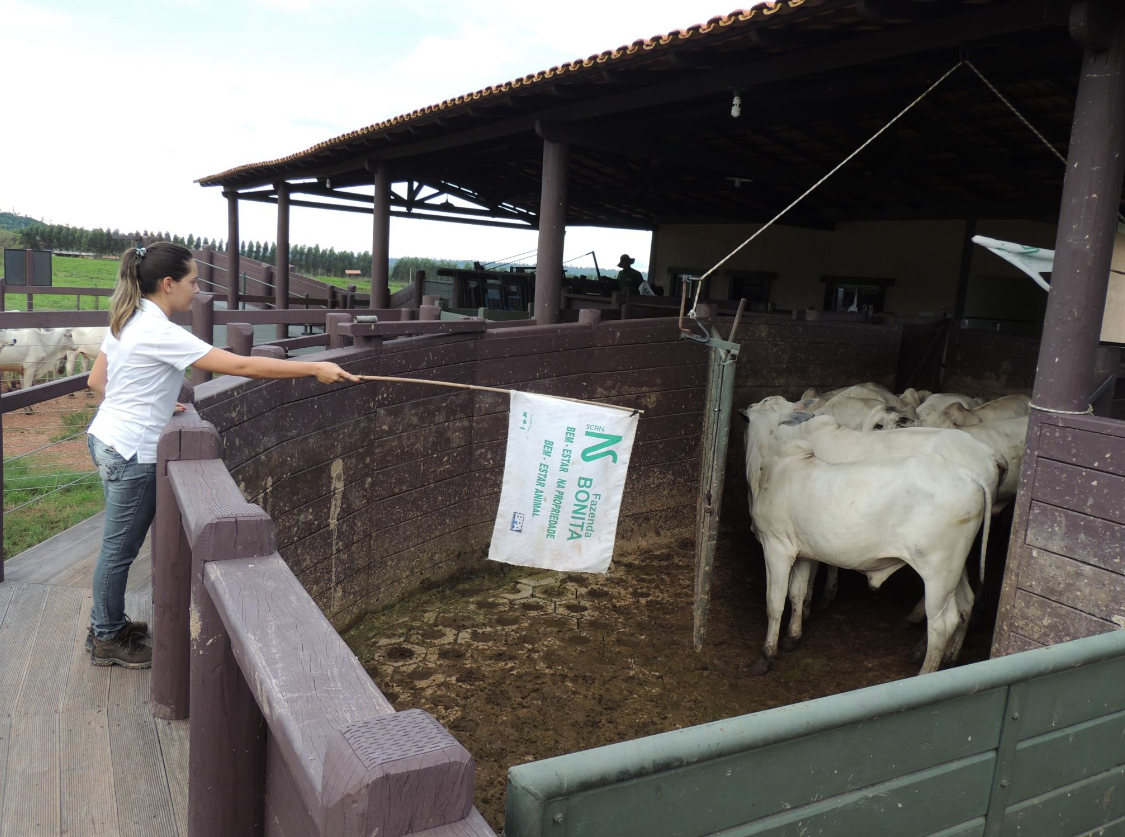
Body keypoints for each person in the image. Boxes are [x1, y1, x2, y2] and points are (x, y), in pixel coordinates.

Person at [84, 241, 359, 668]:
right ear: (169, 283)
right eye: (193, 281)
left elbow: (97, 381)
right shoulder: (159, 330)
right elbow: (244, 366)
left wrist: (154, 400)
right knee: (118, 550)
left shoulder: (128, 317)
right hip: (132, 451)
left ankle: (110, 623)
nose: (197, 289)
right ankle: (106, 637)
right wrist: (312, 367)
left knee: (116, 547)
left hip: (105, 437)